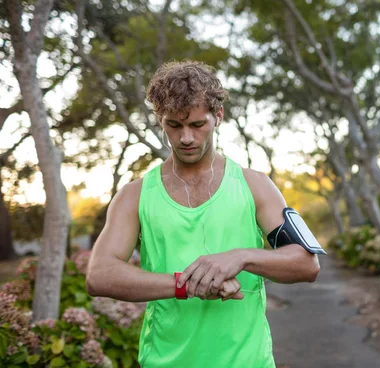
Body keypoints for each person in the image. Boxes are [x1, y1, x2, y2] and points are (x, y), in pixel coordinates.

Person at [86, 60, 323, 367]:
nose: (186, 138)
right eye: (174, 125)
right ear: (160, 120)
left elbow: (307, 263)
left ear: (218, 116)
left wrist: (240, 257)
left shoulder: (255, 185)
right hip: (165, 361)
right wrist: (187, 285)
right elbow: (99, 274)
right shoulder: (135, 195)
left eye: (197, 125)